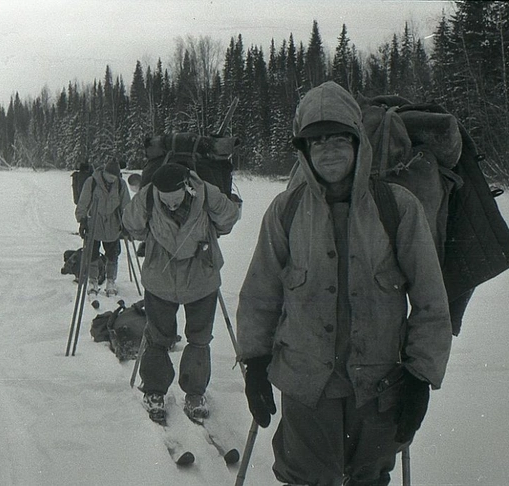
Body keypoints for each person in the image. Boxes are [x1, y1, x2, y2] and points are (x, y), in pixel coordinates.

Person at [236, 81, 453, 486]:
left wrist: (421, 377)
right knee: (305, 479)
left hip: (378, 388)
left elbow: (430, 301)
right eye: (318, 142)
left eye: (340, 139)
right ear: (304, 152)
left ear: (358, 143)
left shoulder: (398, 207)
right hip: (306, 387)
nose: (330, 151)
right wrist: (255, 362)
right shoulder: (286, 211)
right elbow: (260, 294)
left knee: (369, 479)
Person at [122, 163, 240, 423]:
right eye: (166, 202)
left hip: (201, 278)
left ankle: (195, 393)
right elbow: (132, 224)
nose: (172, 206)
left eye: (177, 201)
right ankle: (154, 390)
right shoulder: (148, 196)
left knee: (199, 338)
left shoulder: (206, 193)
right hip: (160, 280)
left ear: (187, 187)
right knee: (157, 336)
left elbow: (229, 218)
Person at [75, 160, 130, 296]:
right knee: (92, 254)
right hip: (94, 222)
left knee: (113, 254)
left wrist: (127, 224)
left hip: (113, 224)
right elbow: (83, 201)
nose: (111, 179)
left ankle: (111, 280)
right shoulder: (92, 182)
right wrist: (82, 220)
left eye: (114, 177)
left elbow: (126, 205)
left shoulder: (121, 185)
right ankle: (93, 280)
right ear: (104, 173)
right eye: (110, 176)